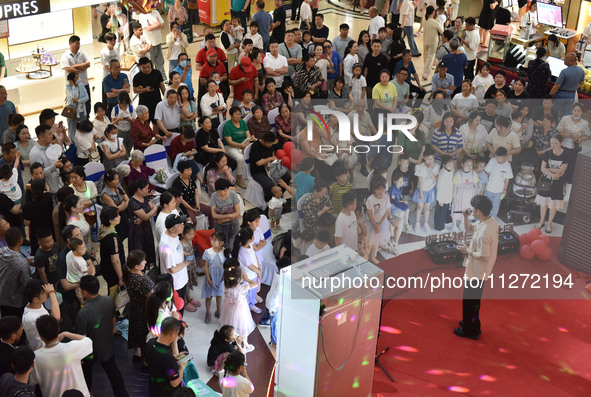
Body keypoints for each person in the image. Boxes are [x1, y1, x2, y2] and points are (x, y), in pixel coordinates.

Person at [455, 195, 498, 339]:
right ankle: (473, 324)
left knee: (469, 301)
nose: (471, 210)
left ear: (478, 211)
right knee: (474, 301)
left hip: (478, 271)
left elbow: (484, 255)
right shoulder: (490, 221)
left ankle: (469, 331)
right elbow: (469, 230)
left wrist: (467, 251)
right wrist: (466, 217)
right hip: (480, 270)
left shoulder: (485, 232)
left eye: (473, 209)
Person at [77, 275, 128, 397]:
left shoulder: (83, 312)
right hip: (107, 346)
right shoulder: (108, 300)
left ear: (84, 292)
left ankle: (88, 392)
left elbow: (82, 338)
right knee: (113, 372)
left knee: (86, 372)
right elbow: (113, 320)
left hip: (89, 351)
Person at [32, 315, 93, 397]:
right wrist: (66, 333)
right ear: (58, 329)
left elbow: (32, 381)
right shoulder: (71, 348)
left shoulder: (35, 357)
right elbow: (88, 340)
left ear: (40, 336)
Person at [219, 260, 257, 351]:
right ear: (240, 278)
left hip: (228, 307)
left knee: (230, 325)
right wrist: (247, 279)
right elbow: (255, 284)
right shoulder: (242, 287)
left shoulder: (225, 284)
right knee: (243, 327)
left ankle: (231, 340)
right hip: (240, 310)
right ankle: (245, 345)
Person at [144, 317, 187, 397]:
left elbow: (150, 362)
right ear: (173, 334)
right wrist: (182, 368)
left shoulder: (150, 343)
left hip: (152, 388)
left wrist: (174, 357)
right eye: (177, 334)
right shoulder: (167, 358)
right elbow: (175, 383)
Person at [535, 135, 569, 234]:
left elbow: (562, 170)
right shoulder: (548, 153)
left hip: (557, 184)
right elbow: (542, 168)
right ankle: (541, 220)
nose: (553, 145)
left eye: (555, 143)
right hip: (546, 182)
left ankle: (549, 223)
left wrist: (548, 169)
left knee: (553, 204)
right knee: (544, 202)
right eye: (551, 143)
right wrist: (551, 173)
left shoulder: (565, 154)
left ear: (561, 143)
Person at [124, 250, 154, 362]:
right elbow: (151, 296)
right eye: (143, 261)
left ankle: (137, 353)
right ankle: (144, 360)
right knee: (143, 334)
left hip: (136, 308)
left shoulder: (130, 274)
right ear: (136, 266)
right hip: (143, 310)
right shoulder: (139, 280)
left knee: (136, 331)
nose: (145, 262)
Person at [22, 279, 60, 351]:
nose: (46, 293)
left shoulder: (35, 305)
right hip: (42, 349)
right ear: (35, 299)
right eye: (43, 293)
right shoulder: (33, 317)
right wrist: (52, 293)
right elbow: (56, 319)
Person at [0, 228, 30, 317]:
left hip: (2, 297)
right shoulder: (22, 263)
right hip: (16, 302)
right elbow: (26, 284)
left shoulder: (1, 251)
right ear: (20, 241)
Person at [129, 179, 157, 266]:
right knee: (139, 251)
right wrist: (144, 217)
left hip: (146, 227)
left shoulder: (144, 197)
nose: (147, 191)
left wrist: (143, 217)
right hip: (137, 231)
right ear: (139, 190)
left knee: (148, 247)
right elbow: (146, 216)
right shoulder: (133, 202)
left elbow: (154, 207)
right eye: (145, 189)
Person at [61, 35, 91, 116]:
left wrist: (74, 66)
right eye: (76, 44)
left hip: (84, 83)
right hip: (72, 86)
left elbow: (88, 64)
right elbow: (68, 69)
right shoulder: (65, 55)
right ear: (71, 44)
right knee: (73, 105)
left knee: (87, 103)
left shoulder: (82, 53)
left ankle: (86, 118)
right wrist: (81, 68)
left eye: (79, 44)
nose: (78, 46)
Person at [412, 148, 439, 234]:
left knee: (427, 208)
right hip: (421, 189)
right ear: (424, 157)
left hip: (430, 190)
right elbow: (420, 181)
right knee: (420, 207)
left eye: (432, 158)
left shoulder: (436, 166)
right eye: (428, 159)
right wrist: (421, 193)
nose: (431, 161)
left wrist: (430, 169)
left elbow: (434, 180)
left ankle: (426, 223)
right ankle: (417, 223)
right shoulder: (419, 167)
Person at [137, 6, 166, 80]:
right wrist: (157, 24)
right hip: (150, 43)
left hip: (158, 41)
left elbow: (162, 25)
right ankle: (151, 79)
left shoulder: (155, 12)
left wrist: (154, 26)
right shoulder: (142, 15)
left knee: (160, 62)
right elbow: (148, 28)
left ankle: (163, 78)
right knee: (150, 63)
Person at [133, 57, 166, 121]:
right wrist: (144, 90)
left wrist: (165, 98)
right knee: (144, 122)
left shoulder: (157, 73)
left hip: (156, 101)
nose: (147, 69)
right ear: (140, 67)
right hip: (144, 102)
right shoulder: (137, 77)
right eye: (144, 68)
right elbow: (135, 90)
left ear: (150, 64)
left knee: (156, 121)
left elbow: (162, 86)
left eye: (148, 66)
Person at [211, 179, 241, 248]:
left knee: (233, 245)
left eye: (225, 191)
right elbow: (214, 215)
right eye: (220, 192)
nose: (223, 193)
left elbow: (238, 213)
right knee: (221, 245)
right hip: (220, 226)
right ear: (216, 190)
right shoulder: (214, 196)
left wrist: (223, 219)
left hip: (232, 224)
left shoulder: (233, 194)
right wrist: (229, 215)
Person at [483, 147, 513, 218]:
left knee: (495, 206)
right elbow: (487, 173)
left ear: (505, 157)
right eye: (496, 157)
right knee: (486, 204)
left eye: (500, 158)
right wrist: (483, 185)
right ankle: (484, 218)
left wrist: (505, 189)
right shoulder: (492, 161)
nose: (498, 159)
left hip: (499, 190)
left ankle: (492, 219)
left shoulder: (507, 165)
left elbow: (507, 178)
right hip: (489, 188)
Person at [65, 72, 90, 143]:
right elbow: (74, 95)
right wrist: (73, 86)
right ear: (72, 80)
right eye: (76, 78)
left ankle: (83, 143)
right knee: (72, 130)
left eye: (78, 76)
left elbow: (86, 97)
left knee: (82, 128)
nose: (78, 78)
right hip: (72, 111)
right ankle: (73, 144)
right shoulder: (68, 86)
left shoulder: (81, 85)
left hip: (82, 110)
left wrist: (79, 101)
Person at [422, 7, 443, 81]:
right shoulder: (435, 22)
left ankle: (426, 69)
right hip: (433, 41)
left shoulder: (425, 21)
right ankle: (425, 73)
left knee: (425, 55)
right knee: (430, 57)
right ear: (433, 12)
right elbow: (442, 31)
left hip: (425, 40)